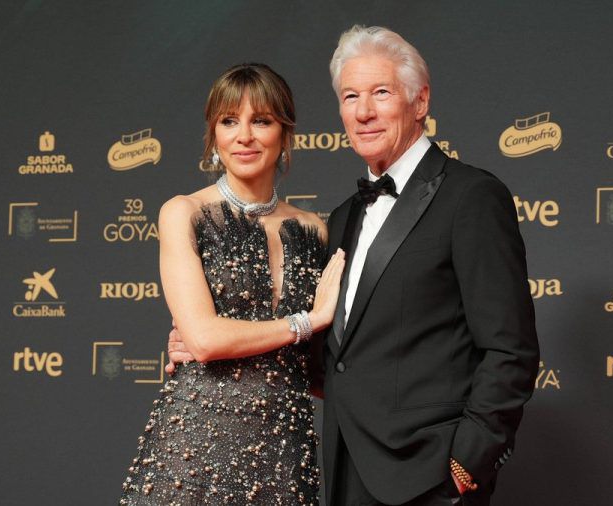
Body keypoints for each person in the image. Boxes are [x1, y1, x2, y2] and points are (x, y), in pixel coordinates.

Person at [170, 26, 539, 506]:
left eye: (380, 93)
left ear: (420, 101)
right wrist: (207, 344)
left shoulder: (470, 197)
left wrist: (467, 464)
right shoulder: (342, 218)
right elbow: (336, 357)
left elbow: (511, 348)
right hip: (345, 470)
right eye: (350, 97)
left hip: (431, 475)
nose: (363, 112)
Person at [120, 62, 345, 505]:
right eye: (229, 121)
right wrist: (309, 320)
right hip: (194, 452)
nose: (244, 136)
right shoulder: (184, 212)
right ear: (213, 134)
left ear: (284, 132)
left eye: (260, 121)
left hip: (286, 452)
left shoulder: (315, 230)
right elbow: (203, 340)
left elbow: (318, 372)